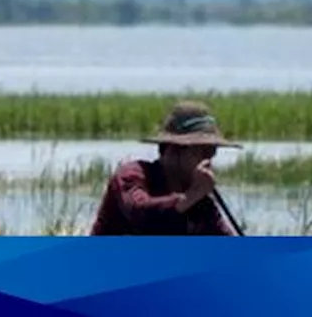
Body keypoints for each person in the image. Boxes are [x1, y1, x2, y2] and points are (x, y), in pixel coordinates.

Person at [89, 100, 243, 236]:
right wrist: (191, 195)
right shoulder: (132, 175)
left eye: (212, 152)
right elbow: (140, 214)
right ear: (173, 151)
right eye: (202, 151)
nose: (208, 160)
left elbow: (228, 245)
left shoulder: (201, 205)